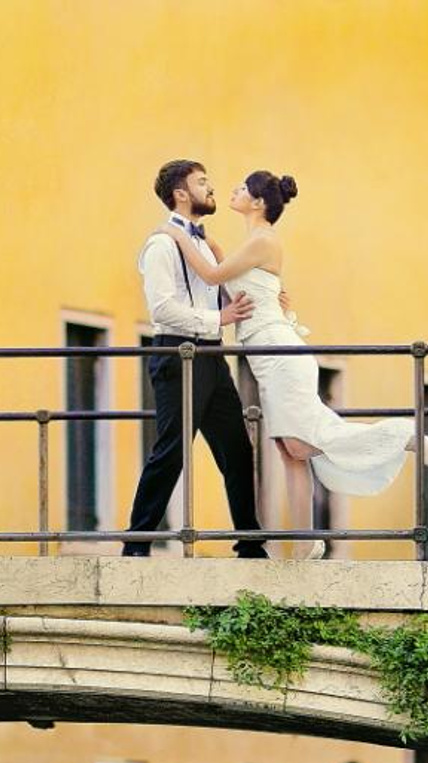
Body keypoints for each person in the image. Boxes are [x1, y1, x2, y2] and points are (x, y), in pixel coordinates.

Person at [162, 170, 426, 558]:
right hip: (270, 357)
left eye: (241, 188)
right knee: (291, 452)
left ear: (257, 203)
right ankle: (306, 544)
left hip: (280, 356)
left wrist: (178, 235)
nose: (232, 191)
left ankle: (398, 436)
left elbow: (214, 275)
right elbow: (233, 277)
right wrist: (208, 242)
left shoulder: (263, 240)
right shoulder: (254, 242)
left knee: (300, 445)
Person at [123, 159, 267, 558]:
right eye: (202, 182)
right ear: (181, 193)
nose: (211, 187)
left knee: (237, 449)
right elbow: (162, 308)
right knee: (171, 450)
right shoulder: (160, 245)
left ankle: (250, 544)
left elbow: (212, 287)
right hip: (177, 351)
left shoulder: (201, 242)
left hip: (211, 354)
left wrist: (233, 303)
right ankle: (137, 543)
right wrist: (217, 317)